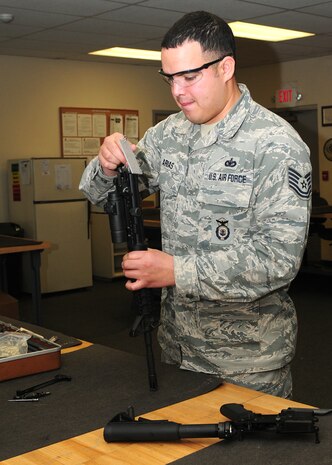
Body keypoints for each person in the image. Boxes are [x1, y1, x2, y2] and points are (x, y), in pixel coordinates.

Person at [79, 11, 312, 398]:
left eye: (190, 76)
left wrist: (177, 271)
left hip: (246, 360)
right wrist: (105, 166)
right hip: (177, 346)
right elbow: (104, 196)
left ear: (226, 67)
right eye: (170, 78)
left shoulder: (275, 144)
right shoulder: (169, 134)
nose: (178, 92)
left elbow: (279, 261)